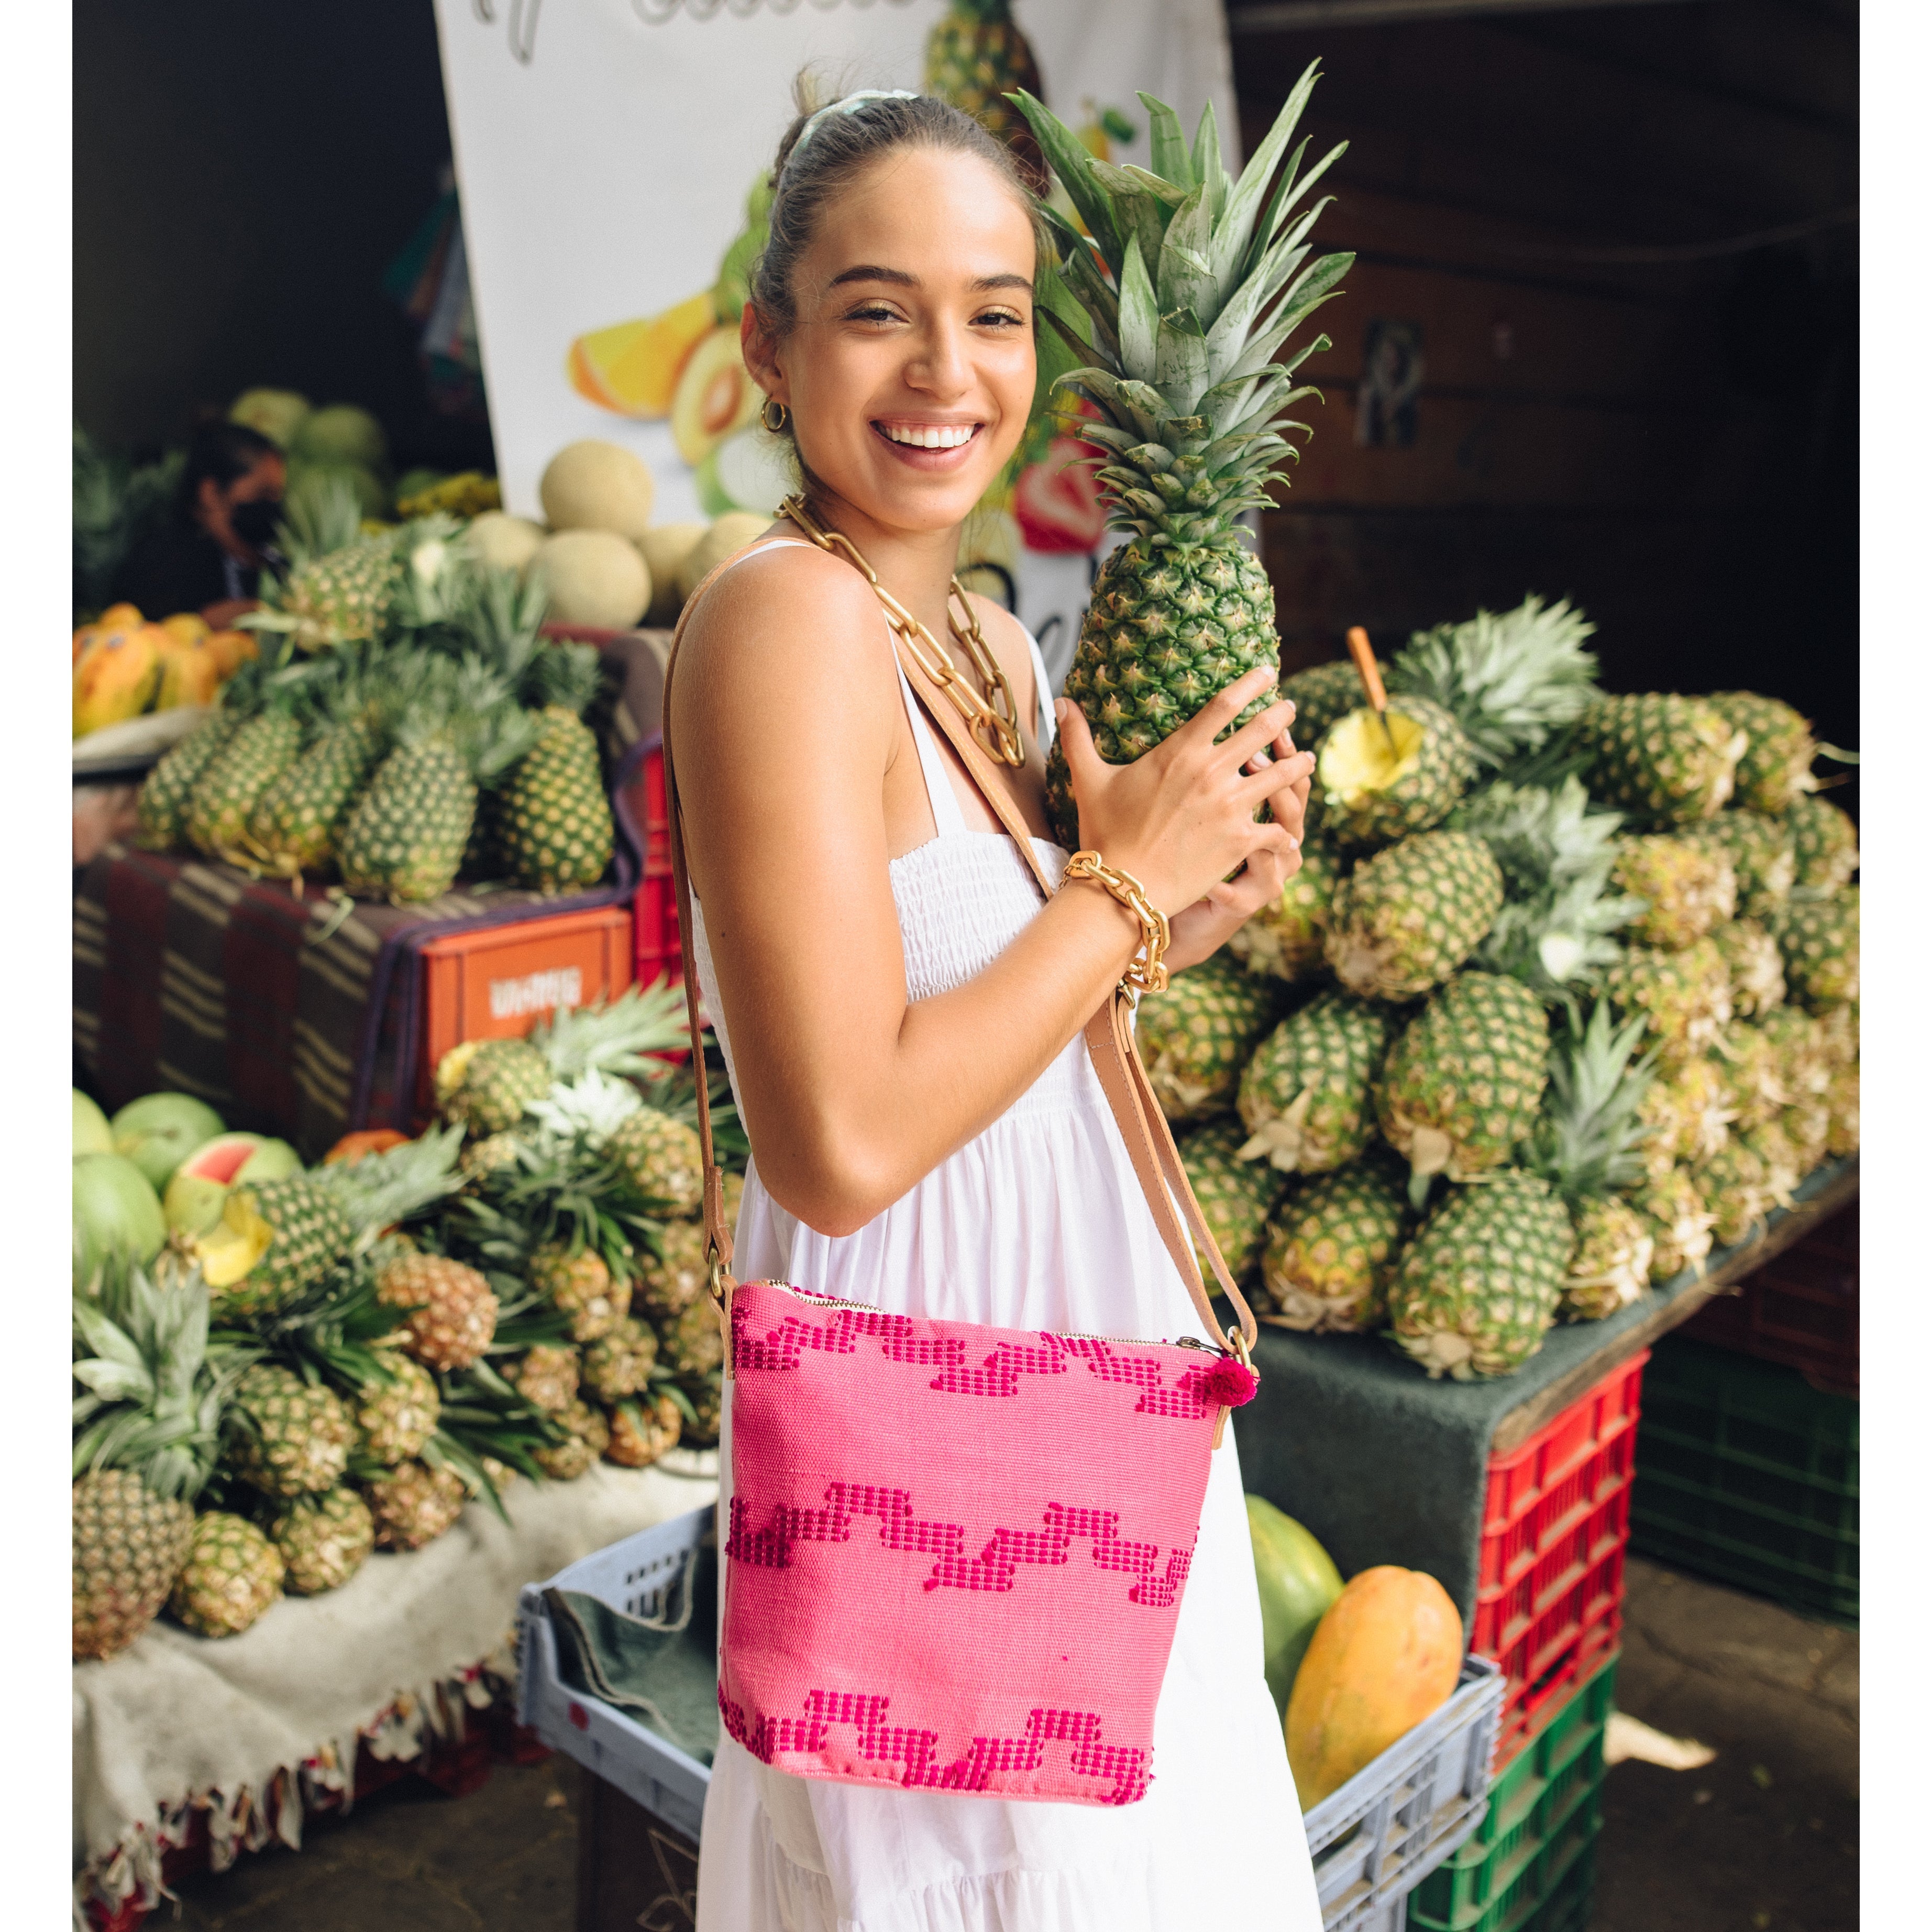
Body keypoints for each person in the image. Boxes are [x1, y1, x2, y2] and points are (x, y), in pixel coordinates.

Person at [672, 87, 1322, 1931]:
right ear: (768, 347)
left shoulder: (984, 643)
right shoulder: (779, 618)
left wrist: (1168, 914)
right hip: (932, 1419)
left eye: (996, 308)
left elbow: (991, 1012)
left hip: (1070, 1401)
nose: (942, 367)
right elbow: (845, 1133)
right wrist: (1115, 887)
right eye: (876, 308)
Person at [113, 418, 285, 628]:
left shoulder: (271, 558)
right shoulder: (161, 562)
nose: (273, 505)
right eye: (263, 493)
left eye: (278, 495)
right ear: (211, 493)